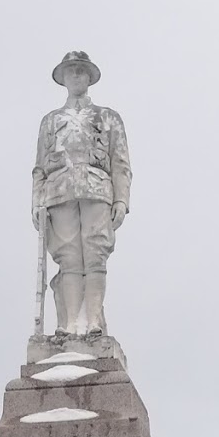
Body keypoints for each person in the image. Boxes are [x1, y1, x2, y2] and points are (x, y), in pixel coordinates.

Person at [32, 51, 131, 337]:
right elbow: (39, 167)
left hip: (97, 188)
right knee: (69, 257)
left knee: (95, 254)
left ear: (89, 77)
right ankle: (71, 322)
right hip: (59, 192)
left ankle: (93, 321)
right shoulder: (50, 121)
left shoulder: (108, 117)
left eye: (81, 71)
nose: (76, 76)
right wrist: (36, 201)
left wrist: (122, 199)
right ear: (63, 78)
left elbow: (120, 162)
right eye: (71, 71)